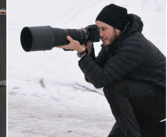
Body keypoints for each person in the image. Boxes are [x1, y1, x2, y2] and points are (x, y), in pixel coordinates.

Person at [58, 4, 166, 137]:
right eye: (98, 29)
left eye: (104, 29)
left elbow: (101, 80)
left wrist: (82, 54)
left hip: (161, 97)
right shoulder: (111, 43)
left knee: (114, 88)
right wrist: (89, 51)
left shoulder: (133, 45)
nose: (101, 34)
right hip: (145, 98)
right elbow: (95, 75)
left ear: (118, 29)